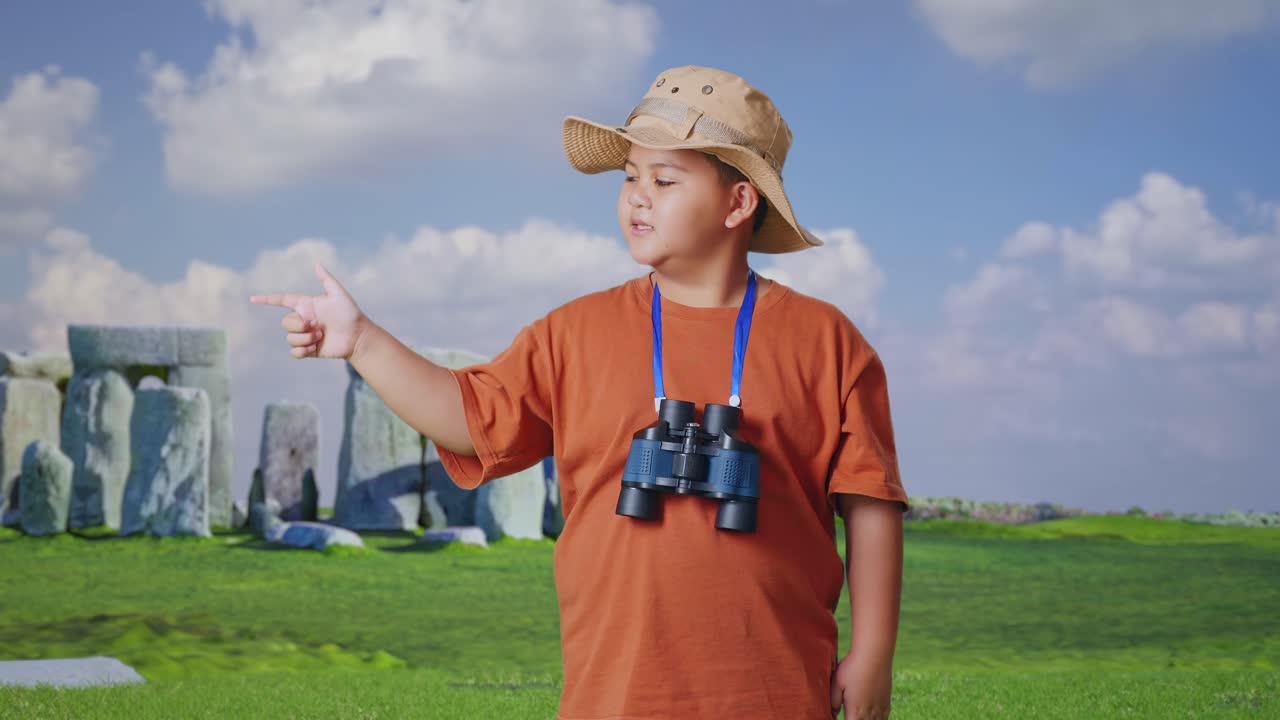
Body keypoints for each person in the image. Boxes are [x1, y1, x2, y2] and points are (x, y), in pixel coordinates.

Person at [251, 64, 909, 720]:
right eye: (630, 178)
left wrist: (873, 649)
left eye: (665, 179)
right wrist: (362, 341)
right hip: (616, 694)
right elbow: (469, 418)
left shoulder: (826, 341)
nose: (637, 197)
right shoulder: (573, 334)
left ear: (739, 203)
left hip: (777, 691)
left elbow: (869, 502)